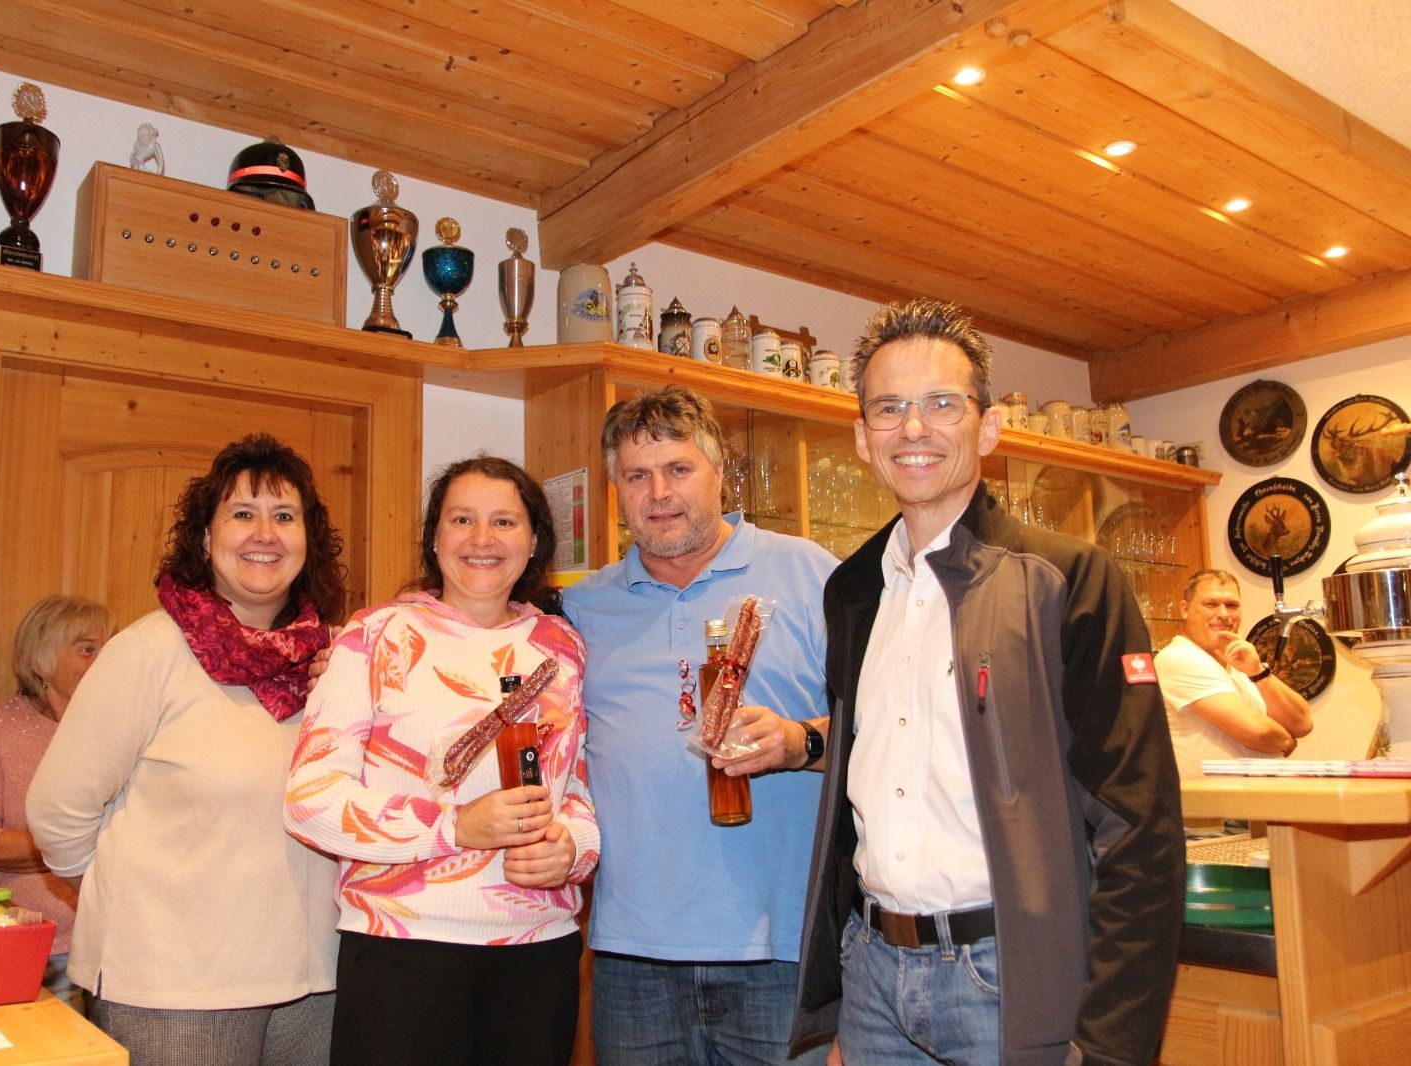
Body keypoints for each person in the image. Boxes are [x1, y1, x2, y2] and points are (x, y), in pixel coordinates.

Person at [792, 299, 1184, 1065]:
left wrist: (1111, 1042)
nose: (914, 428)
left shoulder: (1069, 579)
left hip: (1009, 974)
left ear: (989, 427)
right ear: (863, 439)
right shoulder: (852, 592)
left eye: (942, 403)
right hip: (873, 972)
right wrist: (842, 1002)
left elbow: (1140, 826)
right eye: (889, 408)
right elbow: (851, 807)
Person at [26, 434, 345, 1066]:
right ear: (204, 538)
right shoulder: (148, 652)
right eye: (242, 513)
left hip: (314, 979)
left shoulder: (333, 663)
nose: (265, 533)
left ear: (307, 542)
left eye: (285, 516)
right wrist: (137, 895)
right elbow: (57, 811)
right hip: (175, 984)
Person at [285, 455, 597, 1066]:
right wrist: (453, 826)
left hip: (539, 957)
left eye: (504, 521)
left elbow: (577, 789)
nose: (482, 539)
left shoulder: (562, 647)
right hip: (404, 952)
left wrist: (573, 850)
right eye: (462, 519)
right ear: (434, 537)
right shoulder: (376, 636)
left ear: (534, 540)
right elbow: (309, 799)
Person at [562, 385, 837, 1065]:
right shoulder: (582, 608)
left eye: (678, 469)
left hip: (782, 952)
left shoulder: (808, 573)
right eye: (637, 475)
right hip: (631, 960)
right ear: (616, 489)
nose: (659, 493)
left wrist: (800, 741)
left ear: (721, 471)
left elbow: (890, 724)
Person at [0, 593, 115, 1012]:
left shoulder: (126, 723)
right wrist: (73, 845)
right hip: (39, 946)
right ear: (40, 661)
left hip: (121, 946)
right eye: (87, 649)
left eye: (110, 649)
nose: (105, 661)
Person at [1156, 569, 1312, 778]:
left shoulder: (1239, 662)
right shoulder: (1179, 658)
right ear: (1185, 609)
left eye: (1232, 605)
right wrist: (1287, 740)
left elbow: (1302, 723)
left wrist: (1257, 672)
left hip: (1257, 796)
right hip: (1209, 798)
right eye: (1211, 604)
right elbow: (1259, 733)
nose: (1223, 614)